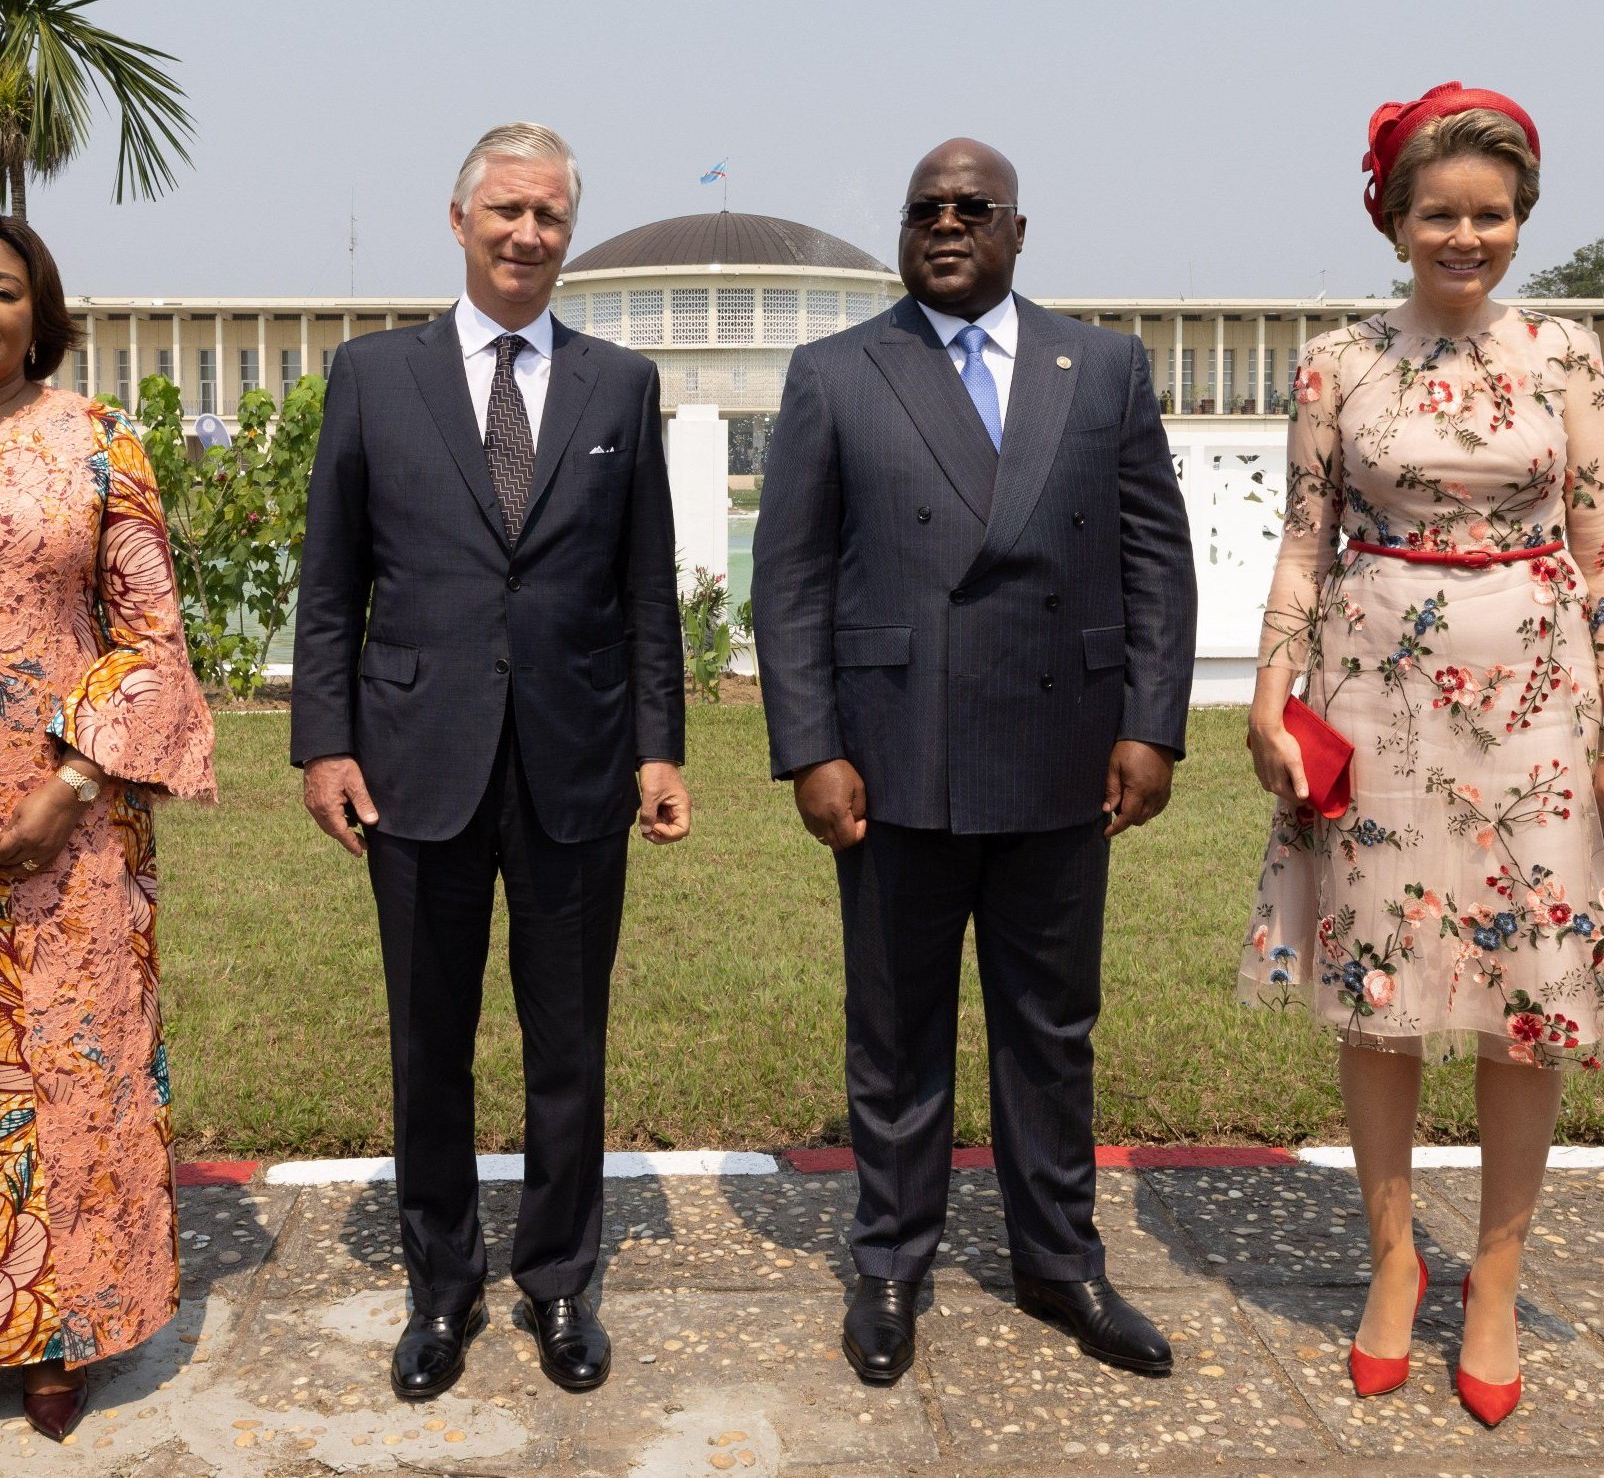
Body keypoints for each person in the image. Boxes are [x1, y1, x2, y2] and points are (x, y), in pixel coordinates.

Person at [1241, 84, 1604, 1427]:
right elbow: (1300, 541)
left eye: (1488, 213)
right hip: (1374, 701)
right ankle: (1392, 1260)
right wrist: (1270, 698)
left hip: (1544, 712)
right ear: (1392, 218)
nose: (1464, 234)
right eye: (1438, 212)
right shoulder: (1334, 362)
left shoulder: (1565, 355)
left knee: (1531, 992)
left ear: (1518, 220)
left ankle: (1491, 1275)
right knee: (1378, 988)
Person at [752, 139, 1197, 1385]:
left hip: (1063, 750)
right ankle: (891, 1261)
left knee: (1051, 1030)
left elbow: (1156, 552)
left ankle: (1059, 1261)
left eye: (971, 208)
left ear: (1016, 226)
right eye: (923, 209)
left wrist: (1151, 722)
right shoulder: (837, 373)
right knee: (893, 1032)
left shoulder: (1100, 364)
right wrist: (811, 747)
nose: (945, 225)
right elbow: (787, 580)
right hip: (894, 758)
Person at [291, 123, 689, 1401]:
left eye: (552, 216)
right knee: (431, 1040)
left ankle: (561, 1284)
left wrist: (660, 749)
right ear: (457, 219)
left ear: (570, 233)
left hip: (575, 769)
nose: (529, 234)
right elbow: (331, 584)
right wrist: (325, 744)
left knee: (568, 1043)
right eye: (508, 210)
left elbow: (646, 598)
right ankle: (441, 1289)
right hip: (418, 766)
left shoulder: (619, 387)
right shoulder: (373, 379)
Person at [0, 218, 216, 1441]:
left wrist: (71, 788)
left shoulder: (98, 445)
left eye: (1, 291)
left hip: (68, 824)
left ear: (42, 312)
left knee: (70, 1073)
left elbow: (151, 643)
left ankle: (61, 1332)